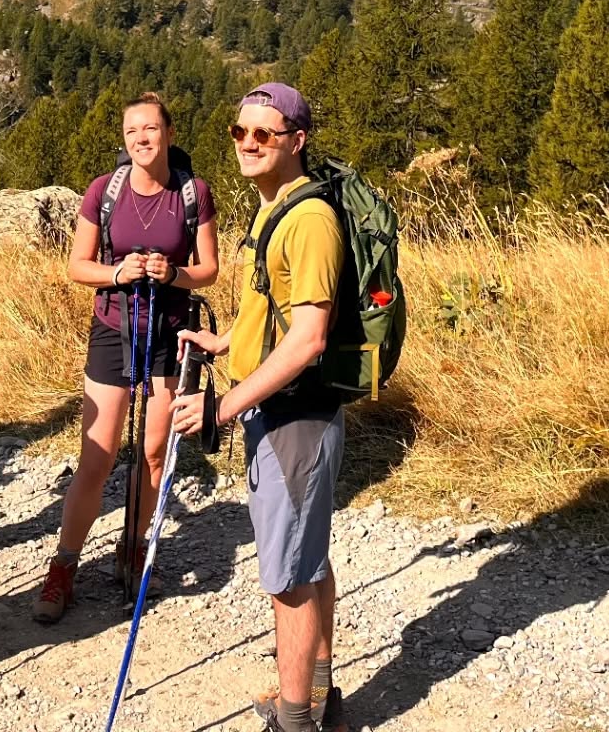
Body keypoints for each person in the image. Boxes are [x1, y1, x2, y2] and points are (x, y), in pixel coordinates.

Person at [172, 82, 348, 732]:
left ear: (296, 141)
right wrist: (223, 343)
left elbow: (308, 339)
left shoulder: (308, 221)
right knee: (308, 559)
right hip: (281, 415)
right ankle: (320, 697)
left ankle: (295, 718)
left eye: (263, 134)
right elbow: (269, 313)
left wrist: (223, 408)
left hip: (294, 421)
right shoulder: (277, 208)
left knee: (287, 579)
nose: (247, 143)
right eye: (239, 132)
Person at [32, 92, 219, 624]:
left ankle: (132, 549)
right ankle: (64, 566)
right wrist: (118, 273)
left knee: (156, 452)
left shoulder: (193, 193)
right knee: (100, 454)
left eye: (151, 128)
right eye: (132, 130)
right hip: (113, 330)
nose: (141, 138)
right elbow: (77, 266)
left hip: (170, 335)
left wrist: (174, 275)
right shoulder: (103, 192)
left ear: (168, 133)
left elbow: (209, 268)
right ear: (124, 137)